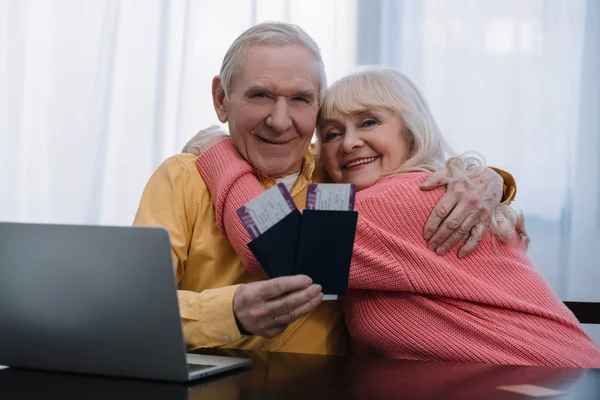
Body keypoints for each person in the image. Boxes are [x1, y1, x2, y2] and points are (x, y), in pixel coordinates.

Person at [134, 22, 513, 354]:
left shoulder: (341, 175)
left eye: (300, 99)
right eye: (260, 95)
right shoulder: (183, 179)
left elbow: (409, 179)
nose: (280, 122)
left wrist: (492, 180)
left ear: (317, 104)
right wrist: (227, 312)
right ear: (221, 100)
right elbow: (131, 311)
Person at [192, 66, 600, 367]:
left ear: (409, 129)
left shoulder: (407, 195)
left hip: (544, 381)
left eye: (369, 122)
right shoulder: (390, 197)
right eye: (332, 133)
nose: (350, 142)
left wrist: (222, 155)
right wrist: (496, 178)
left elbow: (281, 249)